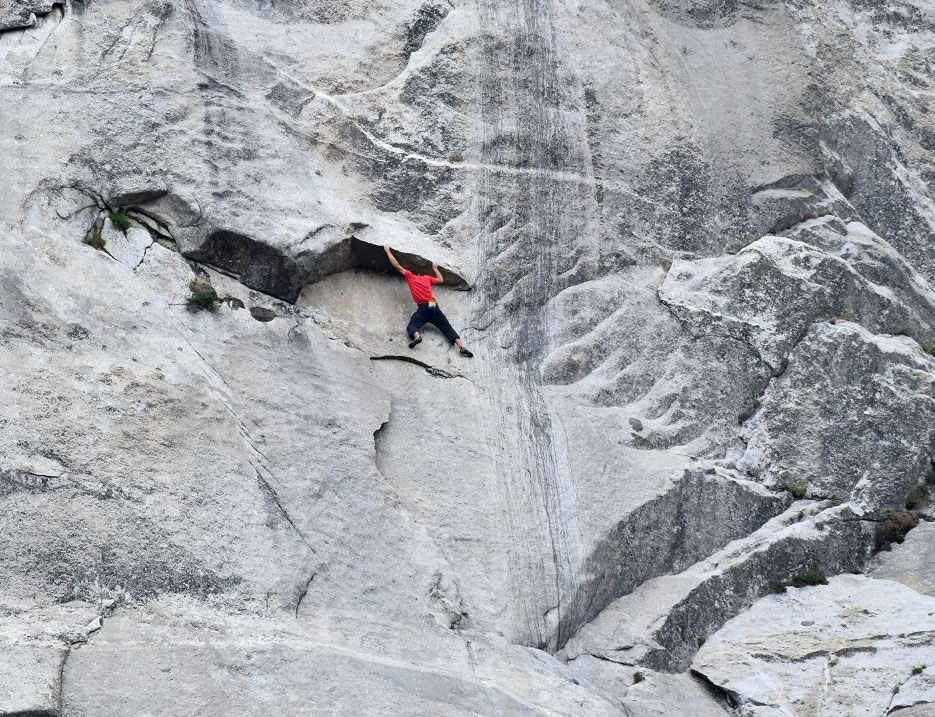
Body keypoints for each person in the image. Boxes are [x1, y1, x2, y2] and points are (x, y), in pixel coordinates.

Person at [383, 244, 473, 357]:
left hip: (424, 307)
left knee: (412, 325)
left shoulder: (411, 277)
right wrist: (435, 269)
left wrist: (387, 251)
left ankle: (417, 337)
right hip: (433, 306)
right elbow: (441, 280)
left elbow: (397, 266)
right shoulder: (427, 278)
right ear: (421, 274)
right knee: (447, 327)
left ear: (413, 273)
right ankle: (461, 347)